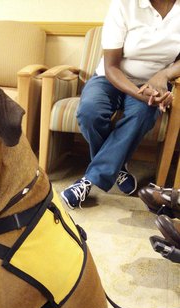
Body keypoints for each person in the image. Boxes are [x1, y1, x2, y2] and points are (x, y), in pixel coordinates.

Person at [61, 0, 180, 210]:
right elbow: (111, 66)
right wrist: (139, 94)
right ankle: (117, 167)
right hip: (111, 78)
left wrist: (164, 75)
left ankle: (87, 182)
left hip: (151, 83)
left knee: (142, 115)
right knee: (90, 112)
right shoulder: (124, 4)